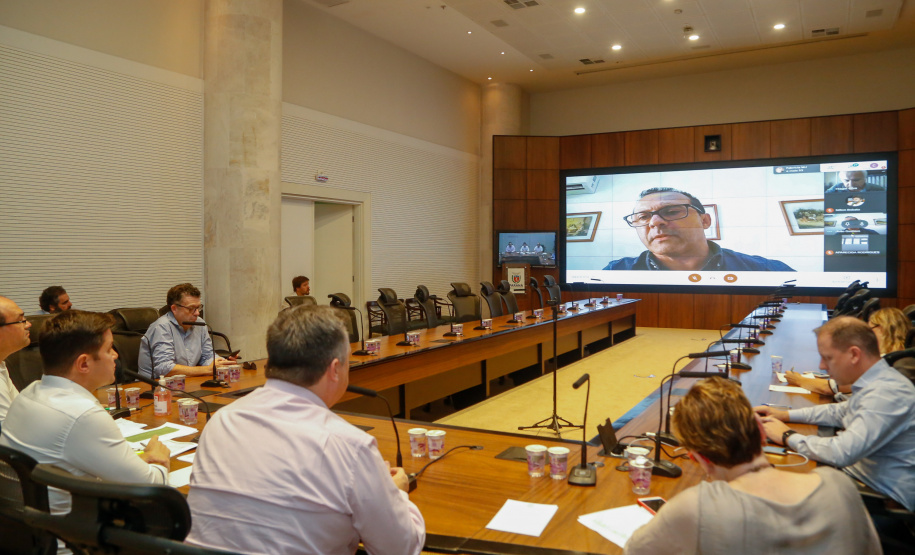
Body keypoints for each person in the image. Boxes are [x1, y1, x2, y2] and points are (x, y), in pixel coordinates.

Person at [186, 306, 425, 555]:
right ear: (334, 369)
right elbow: (401, 549)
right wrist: (395, 494)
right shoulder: (351, 446)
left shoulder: (220, 422)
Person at [624, 377, 880, 554]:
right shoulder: (840, 485)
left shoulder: (696, 507)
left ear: (698, 458)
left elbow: (634, 550)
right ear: (761, 430)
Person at [0, 310, 170, 519]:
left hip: (27, 533)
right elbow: (150, 488)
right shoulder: (83, 414)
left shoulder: (30, 392)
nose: (116, 355)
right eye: (109, 349)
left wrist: (139, 461)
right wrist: (160, 459)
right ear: (83, 364)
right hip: (74, 541)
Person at [757, 316, 915, 512]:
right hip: (860, 481)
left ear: (854, 355)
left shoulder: (886, 393)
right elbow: (837, 411)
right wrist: (783, 415)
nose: (822, 366)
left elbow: (841, 452)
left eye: (828, 357)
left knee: (770, 494)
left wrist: (786, 436)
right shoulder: (876, 381)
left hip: (880, 501)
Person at [605, 188, 795, 271]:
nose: (655, 222)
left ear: (705, 221)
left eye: (671, 211)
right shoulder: (614, 272)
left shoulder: (767, 271)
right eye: (644, 217)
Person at [787, 307, 912, 397]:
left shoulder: (885, 361)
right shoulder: (902, 356)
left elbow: (832, 387)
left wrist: (797, 379)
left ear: (882, 329)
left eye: (869, 327)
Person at [139, 283, 233, 379]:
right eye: (191, 308)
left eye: (198, 307)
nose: (197, 313)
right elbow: (164, 368)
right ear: (174, 309)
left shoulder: (199, 323)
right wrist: (207, 370)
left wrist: (222, 363)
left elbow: (207, 356)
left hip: (186, 382)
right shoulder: (161, 327)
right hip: (152, 387)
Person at [0, 296, 32, 426]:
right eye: (20, 320)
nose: (29, 324)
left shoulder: (1, 364)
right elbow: (7, 432)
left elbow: (21, 414)